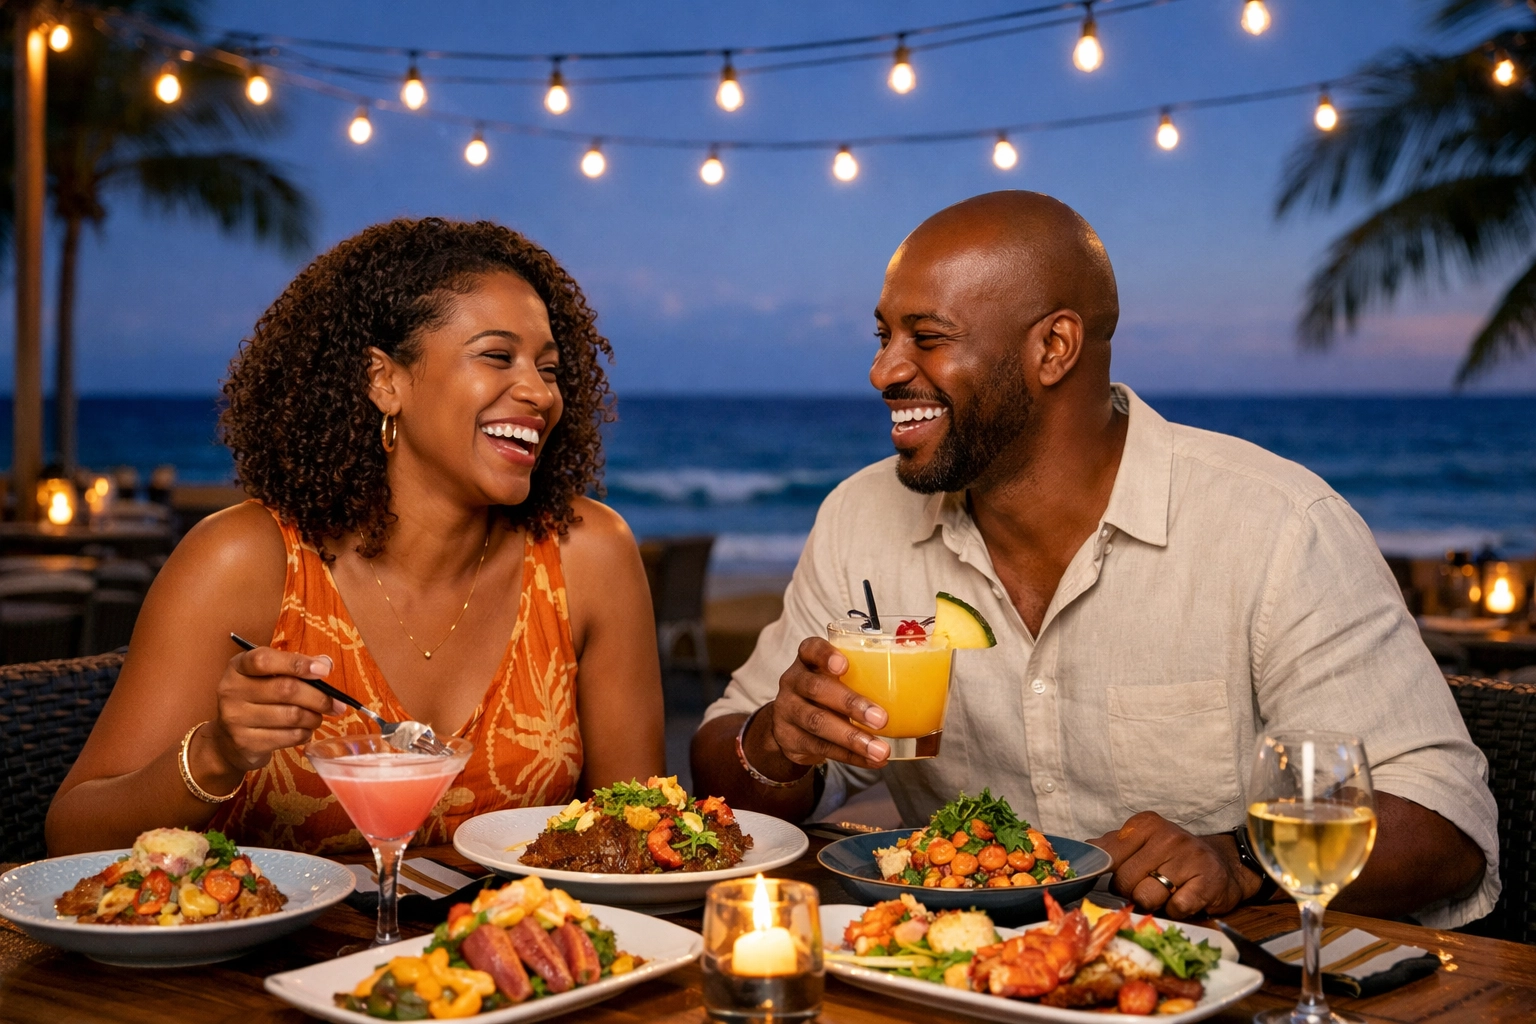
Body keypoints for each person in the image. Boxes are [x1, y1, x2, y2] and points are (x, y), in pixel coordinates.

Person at [692, 191, 1499, 928]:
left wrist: (1241, 859)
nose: (883, 371)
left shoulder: (1277, 527)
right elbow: (722, 759)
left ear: (1054, 348)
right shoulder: (859, 521)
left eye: (926, 338)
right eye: (884, 335)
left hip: (1230, 986)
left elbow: (1445, 825)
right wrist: (775, 743)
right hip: (955, 981)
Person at [48, 217, 665, 855]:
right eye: (496, 356)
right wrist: (215, 755)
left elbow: (648, 834)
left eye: (551, 368)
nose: (539, 392)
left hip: (507, 951)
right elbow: (70, 837)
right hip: (274, 957)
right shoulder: (242, 562)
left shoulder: (586, 554)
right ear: (384, 380)